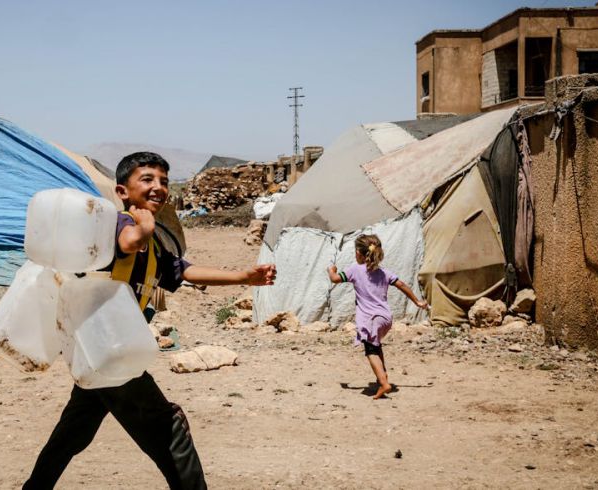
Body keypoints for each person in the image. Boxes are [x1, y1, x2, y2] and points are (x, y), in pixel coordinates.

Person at [23, 152, 277, 490]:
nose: (158, 187)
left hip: (99, 352)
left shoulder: (155, 245)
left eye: (164, 182)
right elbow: (127, 243)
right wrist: (143, 226)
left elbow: (185, 271)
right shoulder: (114, 224)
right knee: (170, 430)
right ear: (122, 191)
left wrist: (242, 276)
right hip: (109, 350)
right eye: (147, 179)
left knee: (73, 432)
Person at [327, 234, 427, 400]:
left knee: (370, 350)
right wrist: (417, 301)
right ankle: (383, 376)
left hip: (370, 318)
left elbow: (335, 279)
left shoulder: (354, 270)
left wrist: (331, 270)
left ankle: (383, 384)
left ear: (359, 253)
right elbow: (401, 284)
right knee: (376, 345)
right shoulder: (384, 273)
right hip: (385, 318)